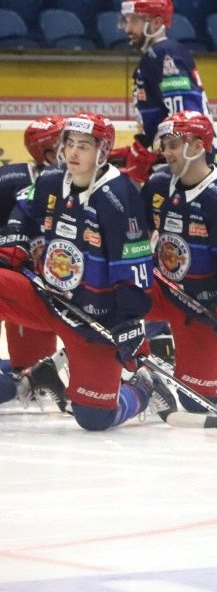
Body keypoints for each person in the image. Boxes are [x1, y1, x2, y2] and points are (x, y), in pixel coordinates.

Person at [0, 113, 170, 430]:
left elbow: (134, 270)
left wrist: (129, 322)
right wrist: (14, 245)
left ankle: (145, 386)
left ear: (102, 152)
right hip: (48, 299)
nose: (73, 153)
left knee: (94, 418)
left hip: (93, 320)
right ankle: (41, 368)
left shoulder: (119, 197)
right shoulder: (51, 180)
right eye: (69, 144)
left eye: (83, 146)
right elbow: (23, 210)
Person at [141, 111, 217, 413]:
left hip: (200, 301)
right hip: (161, 286)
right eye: (164, 144)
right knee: (110, 304)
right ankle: (140, 375)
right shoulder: (158, 184)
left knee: (196, 402)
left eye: (174, 144)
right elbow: (137, 234)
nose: (166, 152)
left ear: (199, 146)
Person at [115, 0, 217, 185]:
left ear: (157, 23)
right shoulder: (156, 55)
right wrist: (145, 144)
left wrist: (155, 151)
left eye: (135, 21)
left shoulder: (165, 54)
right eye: (127, 21)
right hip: (185, 159)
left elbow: (186, 114)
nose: (127, 28)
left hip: (192, 163)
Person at [0, 116, 64, 404]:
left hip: (59, 290)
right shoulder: (12, 181)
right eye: (67, 142)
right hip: (22, 282)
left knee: (30, 378)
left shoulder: (96, 185)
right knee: (24, 380)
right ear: (47, 152)